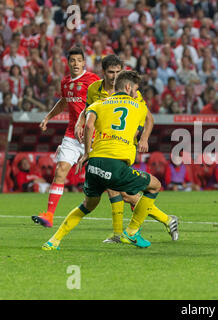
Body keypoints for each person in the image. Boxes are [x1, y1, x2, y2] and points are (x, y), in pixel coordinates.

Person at [42, 71, 178, 250]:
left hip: (94, 163)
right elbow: (144, 123)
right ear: (128, 87)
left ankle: (53, 241)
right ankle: (131, 232)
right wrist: (140, 138)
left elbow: (88, 125)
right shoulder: (138, 106)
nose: (136, 93)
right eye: (135, 89)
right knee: (155, 185)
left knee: (87, 205)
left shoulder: (99, 104)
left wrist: (86, 153)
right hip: (116, 165)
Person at [73, 54, 158, 244]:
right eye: (110, 72)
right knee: (122, 192)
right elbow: (87, 111)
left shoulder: (132, 91)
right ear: (103, 73)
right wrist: (80, 122)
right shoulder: (95, 89)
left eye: (118, 72)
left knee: (124, 193)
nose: (114, 76)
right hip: (104, 145)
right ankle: (127, 232)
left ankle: (128, 231)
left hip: (124, 145)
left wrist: (143, 137)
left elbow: (147, 117)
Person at [32, 47, 100, 228]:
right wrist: (47, 117)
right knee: (61, 170)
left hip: (92, 136)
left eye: (79, 60)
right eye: (72, 60)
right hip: (71, 135)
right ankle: (49, 215)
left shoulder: (93, 80)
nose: (76, 63)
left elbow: (101, 103)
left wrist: (84, 121)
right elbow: (63, 102)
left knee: (108, 182)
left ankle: (134, 204)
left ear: (84, 62)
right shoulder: (65, 82)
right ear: (68, 63)